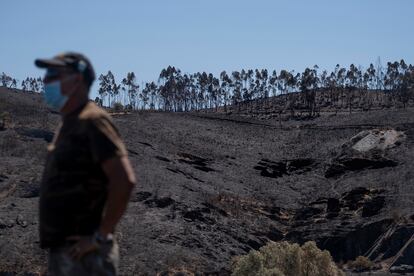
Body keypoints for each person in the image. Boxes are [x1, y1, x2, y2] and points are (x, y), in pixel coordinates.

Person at [35, 52, 136, 275]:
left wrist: (100, 236)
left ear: (77, 79)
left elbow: (124, 180)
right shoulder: (69, 123)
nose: (45, 80)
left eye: (54, 74)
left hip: (85, 257)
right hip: (67, 253)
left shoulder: (92, 120)